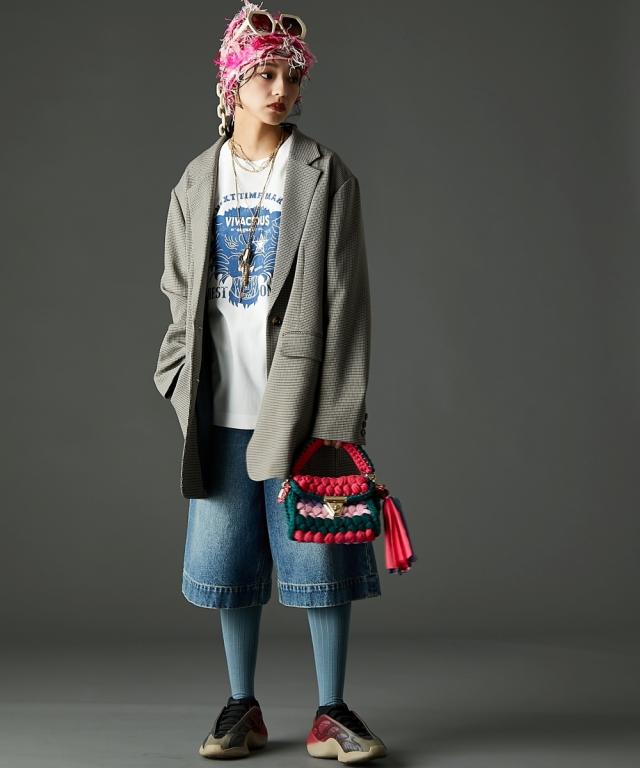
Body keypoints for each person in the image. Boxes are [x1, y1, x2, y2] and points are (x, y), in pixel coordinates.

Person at [153, 1, 386, 762]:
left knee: (321, 556)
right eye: (264, 75)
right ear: (232, 82)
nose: (281, 89)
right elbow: (178, 289)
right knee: (229, 565)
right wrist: (178, 377)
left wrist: (338, 418)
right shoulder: (197, 179)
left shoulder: (324, 176)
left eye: (291, 76)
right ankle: (241, 707)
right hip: (218, 410)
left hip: (301, 409)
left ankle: (331, 712)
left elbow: (347, 305)